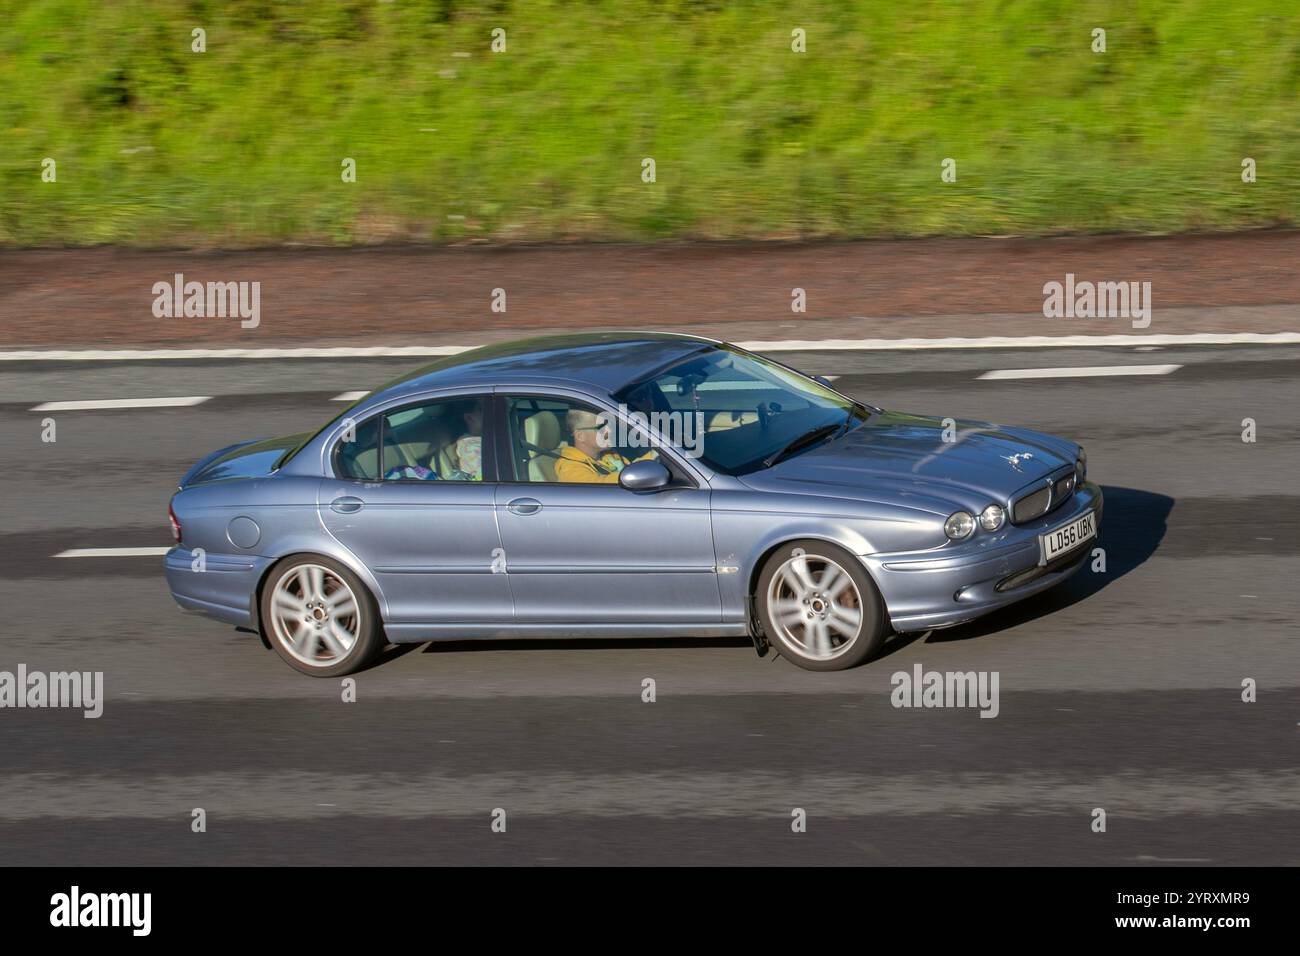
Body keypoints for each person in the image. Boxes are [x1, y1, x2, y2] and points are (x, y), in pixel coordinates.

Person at [555, 409, 656, 484]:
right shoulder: (570, 469)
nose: (609, 430)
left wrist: (654, 456)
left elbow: (630, 468)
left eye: (609, 425)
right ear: (580, 436)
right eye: (601, 427)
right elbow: (599, 486)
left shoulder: (608, 455)